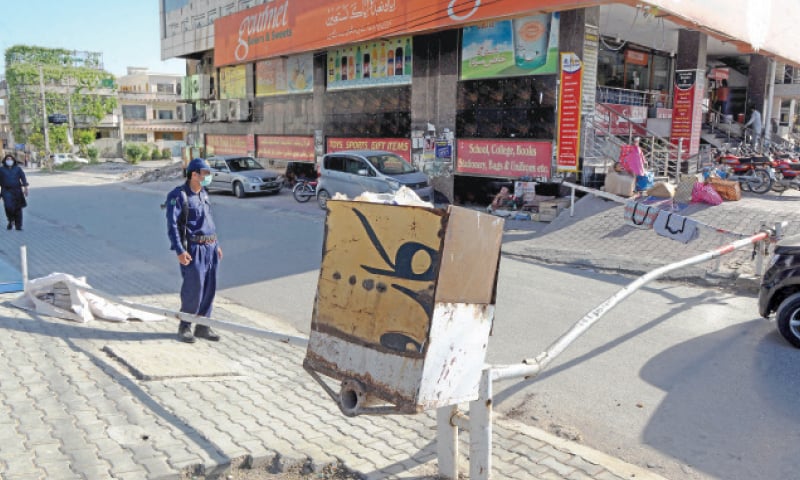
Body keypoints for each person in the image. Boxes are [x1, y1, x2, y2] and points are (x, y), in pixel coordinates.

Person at [165, 158, 223, 343]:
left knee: (209, 288)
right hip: (194, 248)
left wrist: (216, 244)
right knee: (194, 288)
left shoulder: (204, 193)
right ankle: (185, 326)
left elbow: (208, 221)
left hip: (210, 247)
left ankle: (203, 326)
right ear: (194, 174)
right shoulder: (179, 195)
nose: (208, 177)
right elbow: (172, 226)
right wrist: (180, 251)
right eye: (205, 173)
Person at [0, 154, 29, 231]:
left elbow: (23, 177)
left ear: (13, 160)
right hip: (6, 190)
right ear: (5, 161)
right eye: (7, 159)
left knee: (18, 208)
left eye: (11, 159)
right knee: (8, 206)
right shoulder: (1, 169)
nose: (9, 161)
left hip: (17, 190)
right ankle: (11, 220)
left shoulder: (18, 169)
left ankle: (18, 226)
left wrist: (25, 188)